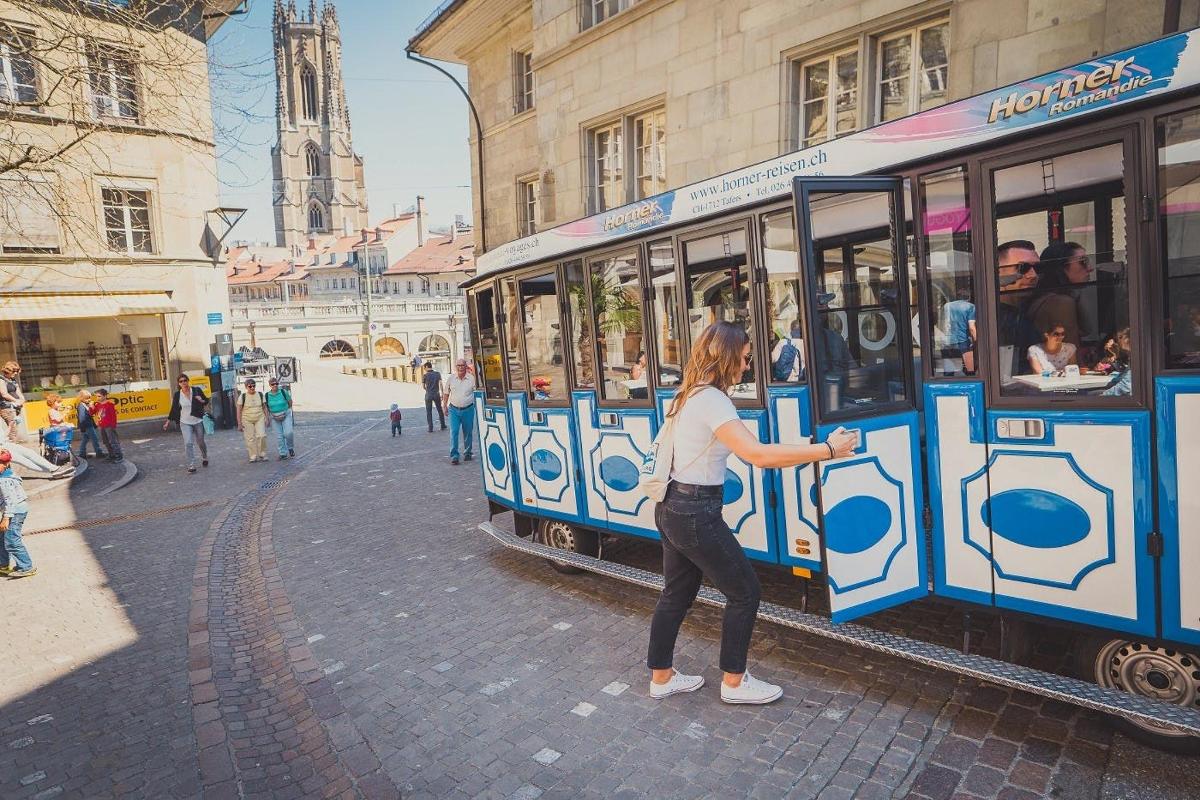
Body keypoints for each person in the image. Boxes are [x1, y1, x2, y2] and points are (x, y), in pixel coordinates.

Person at [647, 321, 858, 704]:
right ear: (727, 356)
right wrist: (828, 450)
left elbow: (752, 447)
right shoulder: (711, 399)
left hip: (672, 506)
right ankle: (734, 682)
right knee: (745, 592)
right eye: (745, 358)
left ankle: (661, 677)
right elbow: (758, 455)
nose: (747, 367)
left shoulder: (688, 394)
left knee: (676, 593)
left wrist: (806, 446)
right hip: (695, 511)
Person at [995, 240, 1043, 379]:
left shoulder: (1023, 311)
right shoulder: (994, 318)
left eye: (1037, 268)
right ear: (998, 272)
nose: (1033, 275)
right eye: (1023, 267)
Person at [1026, 242, 1086, 349]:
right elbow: (1070, 353)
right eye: (1083, 262)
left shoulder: (1048, 299)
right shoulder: (1061, 303)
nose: (1089, 268)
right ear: (1062, 267)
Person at [0, 449, 35, 578]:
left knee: (11, 540)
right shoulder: (8, 474)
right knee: (2, 538)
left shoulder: (4, 480)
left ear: (6, 464)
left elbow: (10, 501)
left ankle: (26, 566)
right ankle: (3, 564)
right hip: (13, 511)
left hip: (15, 512)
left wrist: (5, 518)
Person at [165, 375, 210, 474]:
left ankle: (204, 456)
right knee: (188, 443)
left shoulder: (196, 390)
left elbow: (206, 401)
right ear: (179, 384)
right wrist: (168, 421)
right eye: (181, 381)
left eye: (185, 380)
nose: (183, 383)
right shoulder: (177, 395)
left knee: (201, 441)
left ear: (188, 381)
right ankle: (191, 465)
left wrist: (201, 400)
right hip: (185, 422)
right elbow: (174, 408)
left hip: (197, 420)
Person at [0, 420, 71, 478]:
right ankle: (55, 470)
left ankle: (55, 470)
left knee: (30, 452)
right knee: (23, 460)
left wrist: (10, 426)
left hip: (6, 444)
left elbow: (3, 436)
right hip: (1, 448)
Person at [442, 358, 476, 465]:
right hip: (454, 410)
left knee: (468, 432)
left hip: (468, 409)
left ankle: (468, 453)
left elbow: (477, 392)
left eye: (462, 365)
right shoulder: (451, 378)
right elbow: (446, 393)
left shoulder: (471, 379)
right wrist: (444, 406)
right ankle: (454, 455)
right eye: (458, 365)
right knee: (454, 432)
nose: (460, 367)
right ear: (455, 367)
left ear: (466, 367)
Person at [940, 289, 977, 374]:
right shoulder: (970, 307)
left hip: (948, 340)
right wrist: (976, 340)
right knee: (970, 369)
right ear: (969, 297)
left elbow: (942, 323)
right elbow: (972, 327)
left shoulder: (947, 306)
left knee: (949, 371)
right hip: (963, 340)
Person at [236, 378, 270, 463]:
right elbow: (239, 410)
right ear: (246, 387)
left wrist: (267, 418)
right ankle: (253, 455)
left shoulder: (260, 394)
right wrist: (239, 423)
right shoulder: (243, 396)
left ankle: (262, 454)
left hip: (259, 417)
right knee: (250, 438)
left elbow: (264, 407)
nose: (252, 388)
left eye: (253, 386)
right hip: (247, 419)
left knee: (262, 435)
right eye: (250, 386)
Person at [265, 378, 295, 459]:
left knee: (288, 433)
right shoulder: (267, 395)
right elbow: (266, 407)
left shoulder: (283, 392)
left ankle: (290, 447)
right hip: (274, 416)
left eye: (276, 384)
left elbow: (290, 402)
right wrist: (267, 418)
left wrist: (286, 411)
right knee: (279, 436)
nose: (275, 385)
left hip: (285, 414)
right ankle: (283, 453)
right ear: (270, 385)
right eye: (272, 384)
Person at [93, 389, 123, 462]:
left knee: (113, 441)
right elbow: (92, 413)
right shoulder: (98, 405)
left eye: (99, 396)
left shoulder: (110, 405)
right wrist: (91, 407)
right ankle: (111, 455)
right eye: (96, 396)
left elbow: (113, 416)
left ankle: (119, 456)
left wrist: (113, 426)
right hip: (102, 426)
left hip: (109, 426)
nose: (97, 398)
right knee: (106, 441)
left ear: (105, 396)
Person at [75, 390, 104, 460]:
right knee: (95, 439)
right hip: (87, 426)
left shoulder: (84, 405)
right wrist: (83, 427)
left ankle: (82, 453)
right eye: (87, 398)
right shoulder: (81, 406)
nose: (89, 400)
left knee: (85, 439)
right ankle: (99, 452)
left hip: (87, 426)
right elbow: (81, 418)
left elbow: (89, 416)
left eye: (89, 398)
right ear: (81, 398)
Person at [0, 361, 24, 440]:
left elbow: (18, 391)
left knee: (15, 428)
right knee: (12, 429)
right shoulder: (1, 380)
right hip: (6, 407)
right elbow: (4, 394)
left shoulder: (13, 380)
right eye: (14, 371)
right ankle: (11, 448)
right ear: (8, 371)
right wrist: (15, 400)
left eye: (17, 371)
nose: (16, 373)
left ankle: (13, 445)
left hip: (16, 407)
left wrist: (22, 399)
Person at [422, 362, 445, 432]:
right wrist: (442, 393)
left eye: (424, 368)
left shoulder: (425, 375)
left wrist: (428, 390)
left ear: (426, 367)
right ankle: (443, 425)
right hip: (436, 394)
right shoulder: (437, 374)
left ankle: (430, 428)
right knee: (440, 410)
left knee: (429, 412)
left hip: (428, 394)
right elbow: (441, 384)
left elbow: (423, 386)